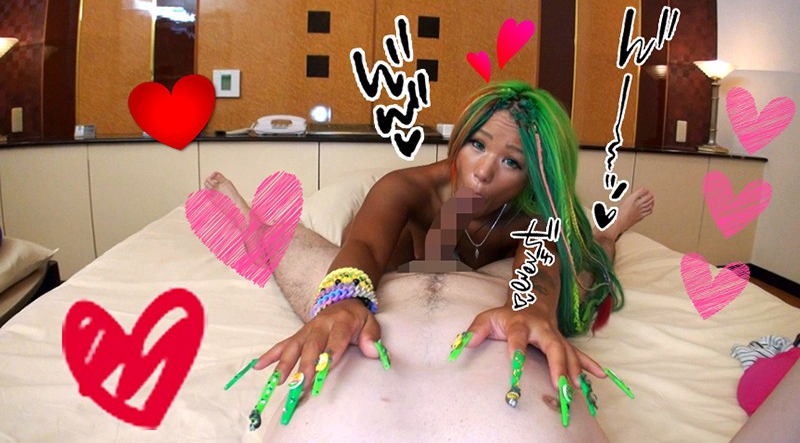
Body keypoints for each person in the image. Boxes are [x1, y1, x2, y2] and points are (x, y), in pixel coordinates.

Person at [205, 80, 654, 435]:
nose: (483, 172)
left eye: (512, 162)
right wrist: (343, 300)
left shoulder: (535, 214)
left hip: (493, 259)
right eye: (477, 145)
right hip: (410, 259)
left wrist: (533, 309)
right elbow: (364, 248)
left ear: (534, 177)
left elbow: (541, 270)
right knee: (320, 272)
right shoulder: (406, 188)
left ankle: (612, 231)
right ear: (458, 140)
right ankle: (249, 219)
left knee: (587, 268)